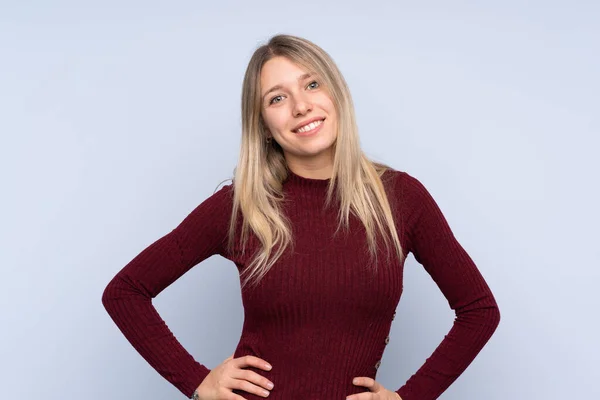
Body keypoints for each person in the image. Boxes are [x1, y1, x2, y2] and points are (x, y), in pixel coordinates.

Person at [102, 34, 501, 400]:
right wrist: (197, 381)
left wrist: (407, 398)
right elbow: (125, 291)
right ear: (263, 125)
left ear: (336, 92)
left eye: (312, 85)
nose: (301, 106)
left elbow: (479, 310)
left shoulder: (400, 198)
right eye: (277, 98)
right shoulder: (242, 205)